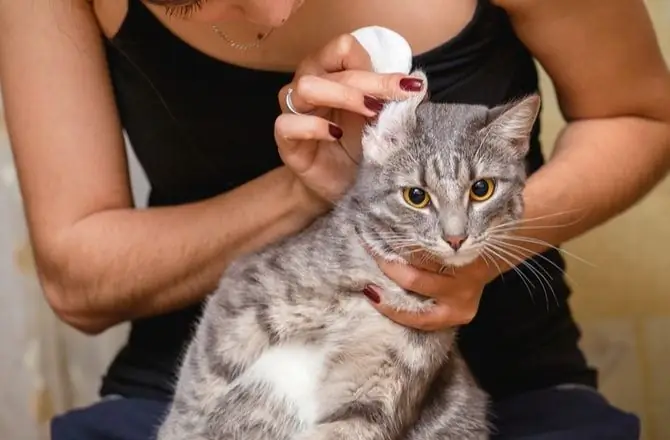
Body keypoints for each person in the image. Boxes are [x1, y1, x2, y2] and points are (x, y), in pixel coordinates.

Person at [1, 0, 668, 438]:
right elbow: (76, 278)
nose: (275, 10)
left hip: (502, 388)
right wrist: (314, 190)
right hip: (218, 385)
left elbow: (639, 114)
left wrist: (477, 254)